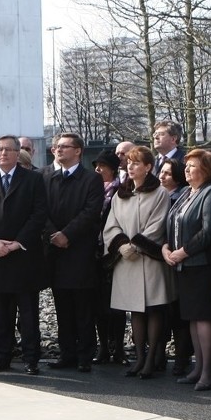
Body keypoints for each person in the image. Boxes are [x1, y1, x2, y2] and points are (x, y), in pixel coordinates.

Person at [0, 135, 47, 375]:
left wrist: (18, 243)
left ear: (17, 153)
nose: (3, 153)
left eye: (8, 150)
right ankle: (1, 356)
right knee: (0, 312)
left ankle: (31, 359)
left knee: (28, 312)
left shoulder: (33, 180)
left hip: (23, 256)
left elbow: (39, 214)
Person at [104, 146, 174, 379]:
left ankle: (152, 357)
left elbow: (158, 225)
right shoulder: (120, 194)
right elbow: (111, 225)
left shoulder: (159, 193)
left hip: (149, 260)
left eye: (137, 163)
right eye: (129, 163)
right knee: (135, 311)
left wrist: (135, 245)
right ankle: (140, 357)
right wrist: (121, 245)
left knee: (153, 310)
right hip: (128, 261)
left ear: (148, 167)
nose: (131, 166)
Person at [44, 133, 105, 372]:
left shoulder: (91, 179)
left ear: (78, 151)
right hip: (54, 252)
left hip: (80, 251)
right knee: (62, 307)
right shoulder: (45, 177)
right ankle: (66, 353)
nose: (59, 150)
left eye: (65, 146)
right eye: (57, 147)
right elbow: (40, 209)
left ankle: (84, 356)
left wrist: (67, 234)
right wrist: (53, 234)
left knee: (83, 307)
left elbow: (91, 212)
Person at [163, 149, 211, 391]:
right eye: (186, 166)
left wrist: (183, 251)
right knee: (191, 318)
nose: (186, 170)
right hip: (182, 266)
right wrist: (167, 248)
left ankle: (208, 370)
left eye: (192, 166)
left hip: (201, 266)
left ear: (206, 169)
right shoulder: (188, 192)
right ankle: (197, 366)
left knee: (204, 318)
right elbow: (173, 221)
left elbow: (208, 231)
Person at [91, 150, 128, 365]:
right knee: (98, 304)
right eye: (96, 165)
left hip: (113, 253)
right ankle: (103, 345)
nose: (98, 169)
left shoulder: (120, 191)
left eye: (102, 165)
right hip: (94, 251)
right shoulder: (92, 188)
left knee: (117, 305)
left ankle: (119, 348)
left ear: (112, 169)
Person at [158, 157, 193, 374]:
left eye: (168, 173)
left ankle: (182, 358)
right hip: (165, 258)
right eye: (161, 172)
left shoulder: (182, 196)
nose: (162, 176)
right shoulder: (159, 196)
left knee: (180, 315)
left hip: (183, 262)